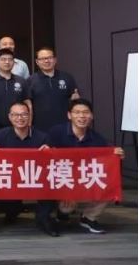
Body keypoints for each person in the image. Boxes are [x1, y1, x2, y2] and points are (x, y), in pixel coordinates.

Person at [48, 99, 124, 234]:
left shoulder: (97, 138)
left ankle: (89, 217)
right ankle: (61, 213)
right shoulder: (56, 133)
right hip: (62, 179)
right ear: (69, 115)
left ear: (91, 116)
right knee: (66, 207)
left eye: (85, 112)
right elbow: (45, 161)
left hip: (83, 179)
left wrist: (117, 154)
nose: (82, 116)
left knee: (110, 185)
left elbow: (108, 157)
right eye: (77, 112)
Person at [0, 102, 58, 237]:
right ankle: (12, 212)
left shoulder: (42, 137)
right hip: (11, 179)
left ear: (29, 116)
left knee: (50, 183)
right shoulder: (0, 136)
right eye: (16, 115)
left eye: (24, 114)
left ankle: (44, 218)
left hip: (36, 178)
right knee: (7, 202)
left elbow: (52, 164)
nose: (20, 118)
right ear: (10, 117)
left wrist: (50, 152)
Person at [29, 47, 79, 131]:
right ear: (37, 62)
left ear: (55, 60)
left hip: (64, 127)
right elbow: (28, 106)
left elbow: (75, 101)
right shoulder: (30, 81)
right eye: (42, 59)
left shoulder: (67, 78)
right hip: (40, 128)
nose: (46, 61)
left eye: (49, 58)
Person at [0, 49, 33, 131]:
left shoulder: (21, 81)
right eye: (3, 59)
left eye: (10, 59)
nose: (7, 62)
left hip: (19, 126)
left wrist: (29, 124)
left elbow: (28, 104)